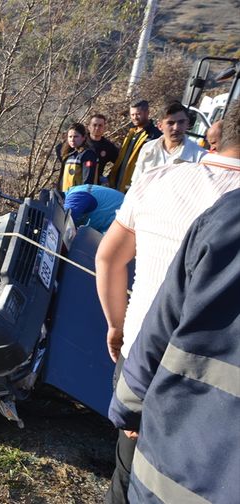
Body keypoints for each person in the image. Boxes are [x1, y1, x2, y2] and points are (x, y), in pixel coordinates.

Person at [95, 104, 240, 504]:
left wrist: (117, 325)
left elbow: (108, 258)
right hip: (212, 381)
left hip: (138, 357)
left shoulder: (159, 180)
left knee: (129, 474)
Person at [129, 101, 205, 186]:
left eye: (181, 122)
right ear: (160, 126)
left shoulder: (199, 156)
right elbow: (136, 184)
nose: (176, 128)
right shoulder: (148, 149)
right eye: (170, 123)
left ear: (187, 123)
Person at [108, 100, 162, 193]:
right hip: (119, 184)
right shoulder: (131, 132)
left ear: (147, 113)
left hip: (137, 187)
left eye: (138, 114)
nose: (134, 117)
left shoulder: (155, 136)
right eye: (132, 115)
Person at [58, 122, 100, 193]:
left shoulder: (87, 154)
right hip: (67, 196)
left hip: (79, 196)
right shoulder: (69, 155)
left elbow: (88, 179)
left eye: (76, 136)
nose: (72, 139)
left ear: (83, 138)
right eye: (70, 137)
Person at [86, 113, 120, 178]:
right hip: (77, 184)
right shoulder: (81, 142)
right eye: (94, 125)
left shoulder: (108, 146)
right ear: (89, 127)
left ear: (104, 128)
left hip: (96, 185)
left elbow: (120, 163)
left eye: (100, 125)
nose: (97, 128)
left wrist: (109, 178)